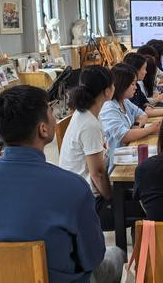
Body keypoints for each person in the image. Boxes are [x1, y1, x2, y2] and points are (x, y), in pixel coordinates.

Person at [0, 85, 125, 283]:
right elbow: (92, 257)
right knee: (116, 255)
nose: (54, 117)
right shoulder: (72, 187)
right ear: (43, 129)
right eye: (51, 112)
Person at [59, 66, 117, 231]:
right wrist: (112, 198)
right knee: (140, 209)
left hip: (77, 194)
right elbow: (97, 174)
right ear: (107, 91)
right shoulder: (89, 124)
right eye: (113, 84)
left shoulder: (84, 114)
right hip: (86, 203)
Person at [100, 63, 160, 170]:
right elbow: (125, 136)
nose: (135, 87)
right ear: (122, 84)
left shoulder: (124, 101)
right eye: (132, 84)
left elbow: (142, 114)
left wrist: (136, 126)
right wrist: (151, 129)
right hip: (117, 164)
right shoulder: (109, 108)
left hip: (128, 153)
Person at [123, 52, 163, 117]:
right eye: (144, 69)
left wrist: (146, 105)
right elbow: (140, 112)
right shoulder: (128, 90)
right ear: (135, 70)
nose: (146, 72)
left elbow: (144, 101)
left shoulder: (137, 85)